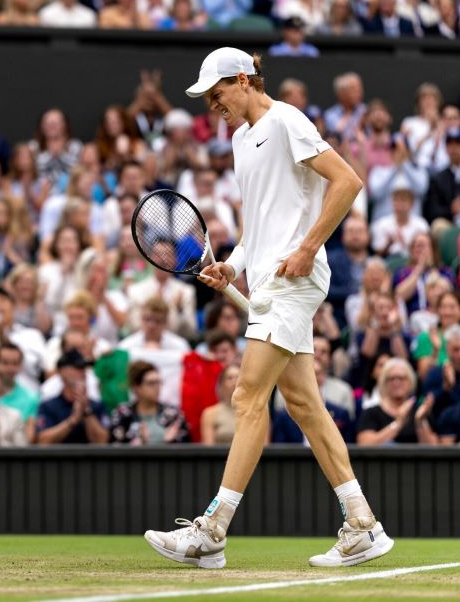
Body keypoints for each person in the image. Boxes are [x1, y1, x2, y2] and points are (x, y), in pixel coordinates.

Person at [146, 47, 393, 570]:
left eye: (218, 94)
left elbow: (347, 181)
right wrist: (233, 264)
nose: (214, 106)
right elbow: (259, 225)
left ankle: (212, 529)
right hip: (266, 280)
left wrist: (306, 248)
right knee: (305, 406)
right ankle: (363, 525)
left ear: (243, 80)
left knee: (246, 395)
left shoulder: (286, 120)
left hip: (292, 282)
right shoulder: (239, 139)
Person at [35, 350, 110, 445]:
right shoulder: (48, 406)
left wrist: (86, 411)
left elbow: (102, 442)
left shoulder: (96, 406)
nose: (82, 372)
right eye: (77, 367)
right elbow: (43, 441)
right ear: (61, 371)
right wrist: (73, 419)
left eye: (84, 368)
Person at [355, 358, 437, 445]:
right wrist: (398, 423)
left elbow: (434, 448)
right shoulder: (371, 413)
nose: (397, 382)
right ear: (384, 382)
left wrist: (420, 421)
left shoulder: (420, 412)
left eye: (401, 378)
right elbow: (364, 445)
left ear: (410, 382)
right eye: (392, 378)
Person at [110, 360, 191, 445]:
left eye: (159, 382)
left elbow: (186, 447)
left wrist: (168, 443)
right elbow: (114, 448)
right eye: (151, 383)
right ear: (136, 387)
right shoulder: (122, 413)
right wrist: (140, 447)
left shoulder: (173, 414)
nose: (157, 387)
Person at [199, 364, 239, 445]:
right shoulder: (210, 413)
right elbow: (209, 449)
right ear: (221, 384)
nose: (234, 382)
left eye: (238, 378)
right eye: (230, 378)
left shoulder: (257, 413)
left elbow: (264, 449)